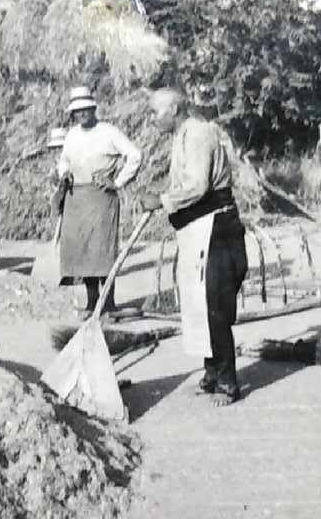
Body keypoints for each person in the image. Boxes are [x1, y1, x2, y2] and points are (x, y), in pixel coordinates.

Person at [139, 87, 248, 407]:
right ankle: (212, 372)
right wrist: (163, 195)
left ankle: (228, 382)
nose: (152, 119)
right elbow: (185, 181)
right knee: (198, 302)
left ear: (174, 109)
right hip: (197, 228)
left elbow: (198, 185)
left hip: (216, 228)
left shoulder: (199, 134)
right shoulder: (181, 136)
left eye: (155, 112)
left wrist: (161, 201)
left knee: (214, 303)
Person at [57, 86, 142, 319]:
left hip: (101, 197)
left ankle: (109, 303)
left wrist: (117, 182)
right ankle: (92, 301)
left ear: (94, 109)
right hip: (76, 197)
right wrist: (64, 173)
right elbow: (63, 160)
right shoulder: (72, 135)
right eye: (77, 111)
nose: (82, 114)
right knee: (82, 251)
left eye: (85, 109)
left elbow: (135, 155)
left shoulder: (109, 132)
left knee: (102, 251)